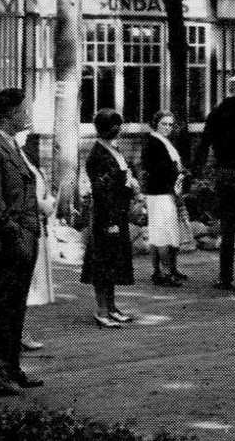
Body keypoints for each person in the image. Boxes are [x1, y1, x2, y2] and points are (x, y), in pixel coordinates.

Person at [0, 89, 44, 394]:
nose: (29, 114)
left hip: (25, 237)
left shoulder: (11, 144)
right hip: (10, 241)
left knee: (15, 306)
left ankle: (11, 368)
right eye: (25, 109)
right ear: (10, 114)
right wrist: (15, 234)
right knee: (3, 307)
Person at [194, 74, 235, 291]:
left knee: (227, 228)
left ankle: (224, 278)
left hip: (224, 176)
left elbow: (204, 144)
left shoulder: (216, 112)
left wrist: (199, 170)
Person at [82, 109, 138, 329]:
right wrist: (111, 221)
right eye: (115, 126)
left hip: (118, 213)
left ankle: (112, 307)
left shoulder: (114, 150)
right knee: (103, 264)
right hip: (107, 217)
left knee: (113, 263)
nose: (118, 130)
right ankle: (102, 309)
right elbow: (103, 192)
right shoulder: (97, 156)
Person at [142, 111, 187, 287]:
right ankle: (163, 272)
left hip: (168, 192)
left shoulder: (165, 141)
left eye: (170, 124)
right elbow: (156, 169)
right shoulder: (152, 143)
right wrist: (175, 172)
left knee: (170, 232)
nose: (168, 127)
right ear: (156, 124)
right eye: (164, 124)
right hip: (159, 193)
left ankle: (169, 270)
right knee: (161, 233)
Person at [22, 129, 57, 352]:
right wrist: (41, 204)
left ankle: (20, 331)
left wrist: (48, 201)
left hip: (36, 226)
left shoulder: (30, 162)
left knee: (26, 284)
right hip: (23, 227)